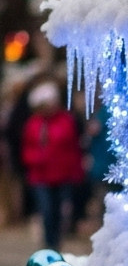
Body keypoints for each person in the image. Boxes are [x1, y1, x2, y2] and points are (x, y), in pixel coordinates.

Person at [20, 80, 86, 249]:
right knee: (46, 211)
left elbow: (72, 148)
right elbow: (27, 148)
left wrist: (76, 171)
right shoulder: (33, 124)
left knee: (59, 212)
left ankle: (56, 241)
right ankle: (49, 242)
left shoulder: (66, 121)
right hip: (40, 175)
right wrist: (36, 158)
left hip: (62, 174)